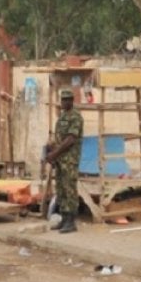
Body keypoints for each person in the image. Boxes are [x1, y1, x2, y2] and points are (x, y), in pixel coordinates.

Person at [45, 89, 84, 233]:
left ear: (72, 101)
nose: (65, 102)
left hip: (70, 160)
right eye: (63, 99)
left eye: (68, 99)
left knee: (70, 190)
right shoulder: (62, 118)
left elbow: (70, 140)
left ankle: (71, 221)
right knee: (61, 189)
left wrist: (54, 153)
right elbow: (59, 139)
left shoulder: (76, 117)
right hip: (60, 160)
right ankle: (64, 218)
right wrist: (51, 150)